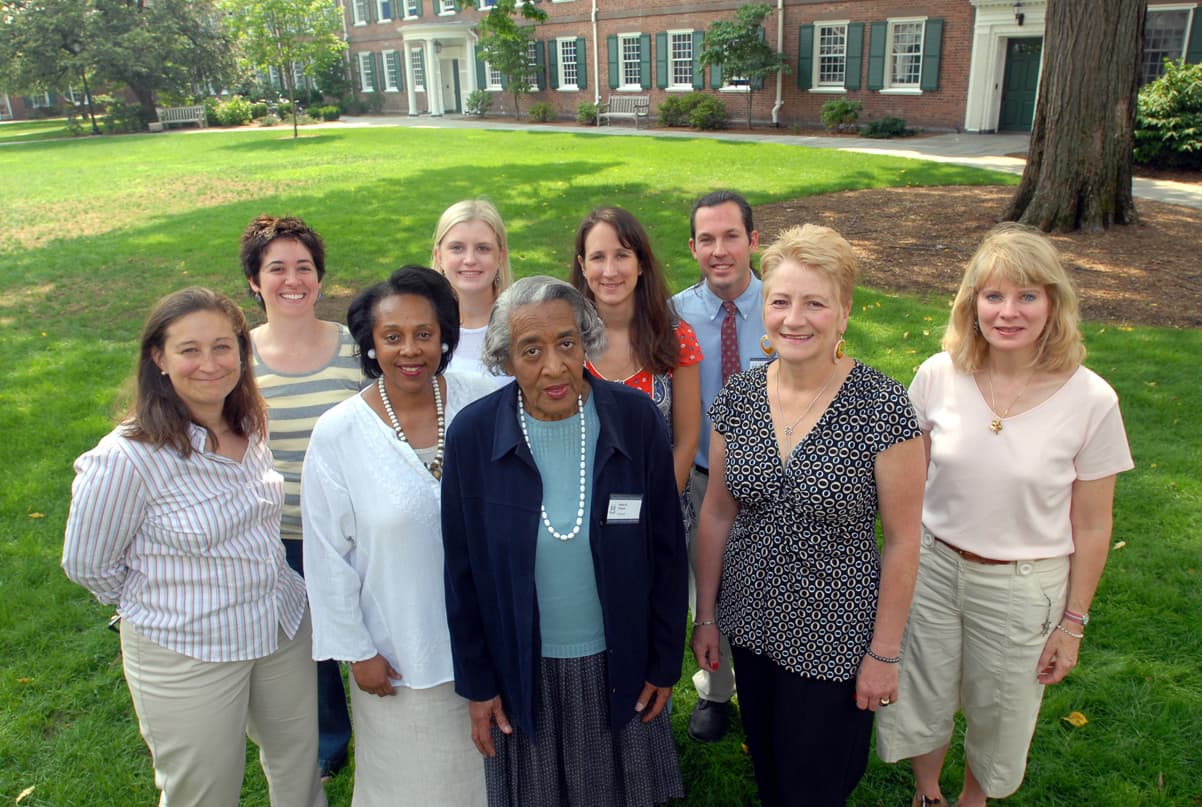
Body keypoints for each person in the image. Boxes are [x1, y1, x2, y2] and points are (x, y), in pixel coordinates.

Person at [875, 223, 1135, 807]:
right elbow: (904, 482)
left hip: (1023, 584)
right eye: (993, 296)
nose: (1008, 312)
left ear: (1053, 303)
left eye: (1026, 296)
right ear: (972, 305)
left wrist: (1073, 624)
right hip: (935, 568)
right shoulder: (938, 374)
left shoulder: (1092, 399)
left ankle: (973, 798)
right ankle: (926, 792)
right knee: (924, 692)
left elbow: (1093, 526)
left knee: (1002, 711)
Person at [62, 287, 326, 807]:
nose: (210, 363)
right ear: (159, 359)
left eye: (223, 347)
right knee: (204, 792)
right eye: (189, 350)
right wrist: (163, 603)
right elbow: (87, 564)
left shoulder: (248, 421)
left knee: (299, 769)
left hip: (280, 625)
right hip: (189, 649)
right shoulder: (127, 458)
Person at [691, 224, 925, 806]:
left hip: (834, 633)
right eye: (781, 301)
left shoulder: (883, 407)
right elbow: (717, 513)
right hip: (751, 622)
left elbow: (902, 539)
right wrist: (706, 616)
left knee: (816, 782)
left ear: (843, 314)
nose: (795, 318)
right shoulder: (739, 398)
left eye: (814, 303)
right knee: (770, 767)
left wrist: (884, 653)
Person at [441, 276, 688, 807]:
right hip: (523, 670)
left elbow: (668, 551)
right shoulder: (473, 435)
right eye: (532, 350)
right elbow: (462, 575)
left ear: (586, 343)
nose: (554, 367)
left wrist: (665, 660)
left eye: (567, 343)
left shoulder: (635, 419)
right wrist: (479, 685)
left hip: (618, 661)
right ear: (506, 359)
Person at [302, 266, 494, 806]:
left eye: (424, 334)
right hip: (400, 654)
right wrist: (358, 651)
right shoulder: (339, 433)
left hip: (488, 642)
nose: (410, 350)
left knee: (490, 779)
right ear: (370, 344)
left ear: (446, 336)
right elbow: (325, 555)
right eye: (392, 337)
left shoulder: (482, 401)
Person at [240, 214, 360, 780]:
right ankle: (329, 738)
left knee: (369, 631)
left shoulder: (353, 346)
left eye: (304, 267)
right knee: (308, 646)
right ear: (254, 282)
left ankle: (388, 723)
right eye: (277, 268)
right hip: (280, 533)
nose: (293, 279)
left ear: (319, 277)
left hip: (356, 527)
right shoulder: (237, 358)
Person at [670, 189, 767, 742]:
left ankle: (768, 690)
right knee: (704, 588)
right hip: (703, 476)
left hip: (776, 481)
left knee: (768, 588)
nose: (720, 250)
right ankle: (716, 688)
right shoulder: (674, 316)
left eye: (732, 236)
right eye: (707, 239)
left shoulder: (783, 307)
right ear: (692, 247)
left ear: (753, 241)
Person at [569, 205, 702, 497]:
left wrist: (657, 511)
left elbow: (687, 441)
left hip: (661, 505)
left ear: (641, 263)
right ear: (582, 265)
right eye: (597, 257)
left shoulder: (677, 338)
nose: (610, 271)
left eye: (622, 255)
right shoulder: (566, 342)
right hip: (582, 511)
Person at [431, 198, 514, 383]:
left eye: (482, 248)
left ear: (500, 256)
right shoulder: (423, 328)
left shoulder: (523, 322)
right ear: (439, 256)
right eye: (457, 248)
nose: (469, 259)